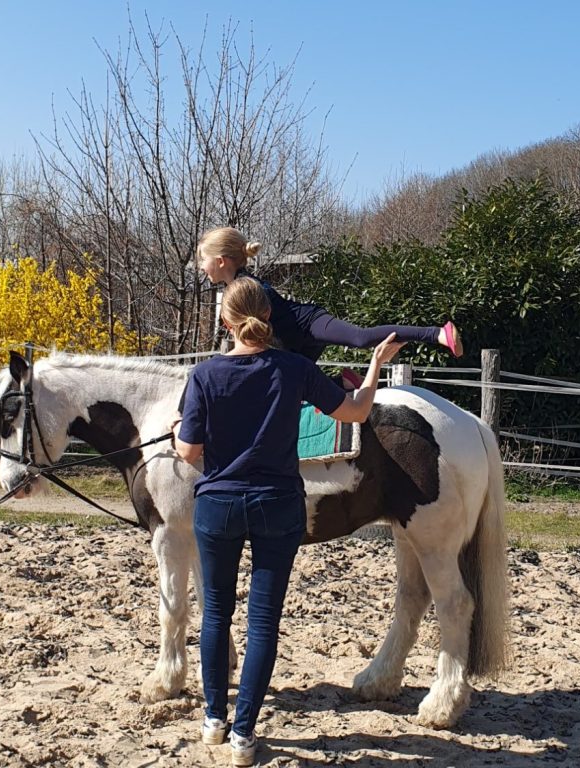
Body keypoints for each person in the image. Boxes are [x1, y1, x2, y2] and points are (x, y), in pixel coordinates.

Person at [172, 277, 404, 767]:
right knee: (262, 623)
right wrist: (375, 366)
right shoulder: (295, 368)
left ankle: (214, 719)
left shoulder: (204, 376)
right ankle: (243, 735)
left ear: (225, 321)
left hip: (219, 505)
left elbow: (189, 452)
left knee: (215, 615)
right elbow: (359, 411)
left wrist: (178, 435)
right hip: (278, 505)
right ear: (269, 318)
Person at [197, 226, 463, 387]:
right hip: (293, 345)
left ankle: (438, 333)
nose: (201, 267)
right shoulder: (236, 287)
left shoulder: (247, 288)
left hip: (308, 324)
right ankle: (344, 383)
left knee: (360, 337)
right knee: (294, 388)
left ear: (221, 261)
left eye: (204, 260)